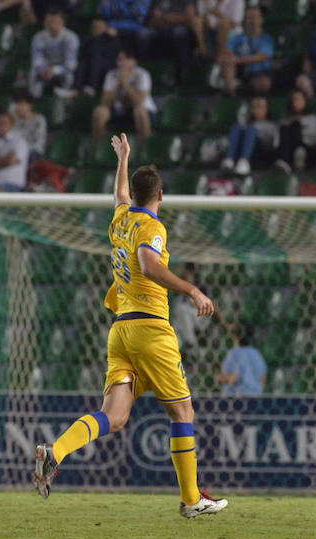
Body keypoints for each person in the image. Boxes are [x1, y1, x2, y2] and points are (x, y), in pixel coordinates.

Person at [34, 132, 227, 519]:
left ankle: (55, 452)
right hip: (151, 329)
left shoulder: (123, 218)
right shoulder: (152, 229)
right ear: (161, 197)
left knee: (115, 416)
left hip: (120, 330)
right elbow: (148, 264)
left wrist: (122, 158)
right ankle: (191, 499)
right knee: (182, 413)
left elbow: (119, 195)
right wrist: (192, 290)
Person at [92, 49, 157, 147]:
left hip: (144, 112)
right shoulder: (112, 75)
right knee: (100, 111)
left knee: (139, 111)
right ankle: (98, 149)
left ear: (133, 61)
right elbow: (105, 102)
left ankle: (144, 150)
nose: (119, 63)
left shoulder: (142, 75)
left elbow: (139, 101)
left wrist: (125, 83)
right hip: (119, 111)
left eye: (123, 60)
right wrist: (119, 83)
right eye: (118, 60)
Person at [216, 5, 273, 96]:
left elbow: (261, 56)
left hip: (258, 73)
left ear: (261, 19)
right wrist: (228, 57)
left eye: (255, 17)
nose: (252, 21)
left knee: (264, 83)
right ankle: (231, 96)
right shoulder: (237, 38)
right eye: (249, 18)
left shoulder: (266, 39)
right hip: (239, 72)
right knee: (227, 62)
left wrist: (237, 60)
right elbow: (226, 51)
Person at [28, 7, 79, 99]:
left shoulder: (71, 38)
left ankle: (66, 102)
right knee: (33, 72)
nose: (52, 24)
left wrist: (55, 70)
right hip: (45, 69)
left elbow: (71, 64)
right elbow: (37, 59)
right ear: (44, 22)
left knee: (70, 76)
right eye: (49, 21)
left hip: (62, 69)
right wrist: (43, 70)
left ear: (62, 22)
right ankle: (35, 98)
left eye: (55, 21)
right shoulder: (38, 37)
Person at [220, 96, 278, 175]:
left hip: (260, 152)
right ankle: (229, 160)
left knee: (250, 128)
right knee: (236, 126)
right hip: (242, 149)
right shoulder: (245, 124)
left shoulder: (271, 125)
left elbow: (275, 145)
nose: (257, 110)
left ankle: (244, 161)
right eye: (254, 107)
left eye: (260, 107)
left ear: (267, 109)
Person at [148, 0, 203, 75]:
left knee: (179, 32)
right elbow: (152, 21)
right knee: (143, 34)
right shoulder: (159, 1)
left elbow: (190, 18)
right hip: (161, 28)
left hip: (182, 30)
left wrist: (165, 17)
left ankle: (181, 71)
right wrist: (166, 18)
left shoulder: (188, 2)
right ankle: (146, 69)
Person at [276, 89, 316, 173]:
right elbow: (278, 138)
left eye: (299, 99)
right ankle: (285, 161)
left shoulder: (313, 117)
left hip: (309, 149)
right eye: (294, 100)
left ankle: (290, 158)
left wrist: (299, 126)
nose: (296, 102)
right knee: (285, 127)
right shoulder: (286, 119)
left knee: (295, 125)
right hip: (290, 150)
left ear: (305, 101)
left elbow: (315, 138)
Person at [76, 16, 122, 97]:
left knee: (96, 57)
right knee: (83, 63)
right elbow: (81, 55)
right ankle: (76, 89)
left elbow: (114, 58)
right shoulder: (87, 39)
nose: (96, 29)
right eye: (94, 27)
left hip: (107, 68)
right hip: (88, 66)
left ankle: (92, 86)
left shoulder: (112, 40)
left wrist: (103, 38)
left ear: (106, 28)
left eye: (99, 27)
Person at [218, 325, 266, 396]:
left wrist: (218, 377)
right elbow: (263, 378)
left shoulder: (234, 353)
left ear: (235, 337)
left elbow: (233, 378)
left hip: (236, 398)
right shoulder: (256, 354)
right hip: (255, 396)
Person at [10, 90, 47, 160]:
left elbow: (38, 144)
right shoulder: (14, 120)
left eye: (21, 104)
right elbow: (11, 139)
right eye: (16, 104)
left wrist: (22, 149)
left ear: (29, 105)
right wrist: (12, 121)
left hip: (34, 152)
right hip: (17, 151)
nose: (18, 107)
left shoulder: (39, 119)